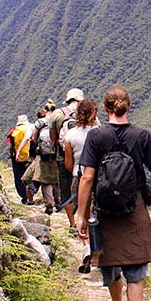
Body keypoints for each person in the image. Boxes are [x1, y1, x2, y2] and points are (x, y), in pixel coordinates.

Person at [77, 85, 151, 301]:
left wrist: (81, 215)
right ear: (129, 106)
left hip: (104, 209)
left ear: (105, 109)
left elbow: (87, 177)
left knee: (111, 262)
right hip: (133, 207)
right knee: (135, 269)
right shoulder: (143, 137)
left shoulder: (96, 137)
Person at [64, 98, 98, 273]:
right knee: (96, 211)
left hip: (79, 175)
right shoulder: (99, 133)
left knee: (83, 212)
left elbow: (68, 163)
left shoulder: (70, 135)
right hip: (99, 176)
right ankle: (98, 246)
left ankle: (87, 245)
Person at [49, 88, 84, 231]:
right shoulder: (87, 113)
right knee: (83, 190)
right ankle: (85, 221)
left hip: (62, 158)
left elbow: (52, 137)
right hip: (83, 160)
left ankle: (72, 223)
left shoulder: (57, 114)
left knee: (66, 191)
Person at [32, 102, 60, 214]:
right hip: (56, 153)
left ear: (45, 109)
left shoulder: (40, 122)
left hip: (43, 154)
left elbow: (34, 138)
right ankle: (58, 202)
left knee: (45, 181)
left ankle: (49, 205)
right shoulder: (57, 120)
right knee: (57, 179)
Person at [6, 114, 33, 204]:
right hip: (30, 156)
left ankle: (24, 197)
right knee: (29, 177)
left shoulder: (13, 131)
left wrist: (11, 154)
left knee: (19, 177)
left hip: (17, 157)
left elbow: (10, 145)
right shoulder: (31, 129)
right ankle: (30, 196)